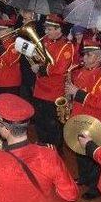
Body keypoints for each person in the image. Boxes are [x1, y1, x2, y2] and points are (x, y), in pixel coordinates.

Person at [64, 39, 101, 199]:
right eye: (84, 54)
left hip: (94, 122)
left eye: (88, 55)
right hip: (79, 117)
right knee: (80, 151)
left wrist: (77, 93)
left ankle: (95, 186)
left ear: (98, 58)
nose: (84, 58)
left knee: (93, 155)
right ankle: (84, 177)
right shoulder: (81, 71)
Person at [32, 14, 74, 150]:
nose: (46, 32)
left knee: (53, 127)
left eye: (49, 29)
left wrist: (41, 68)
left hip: (54, 93)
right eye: (46, 29)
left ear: (59, 29)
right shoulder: (44, 41)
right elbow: (37, 57)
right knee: (40, 124)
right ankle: (43, 151)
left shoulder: (67, 46)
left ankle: (55, 154)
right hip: (39, 90)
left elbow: (60, 68)